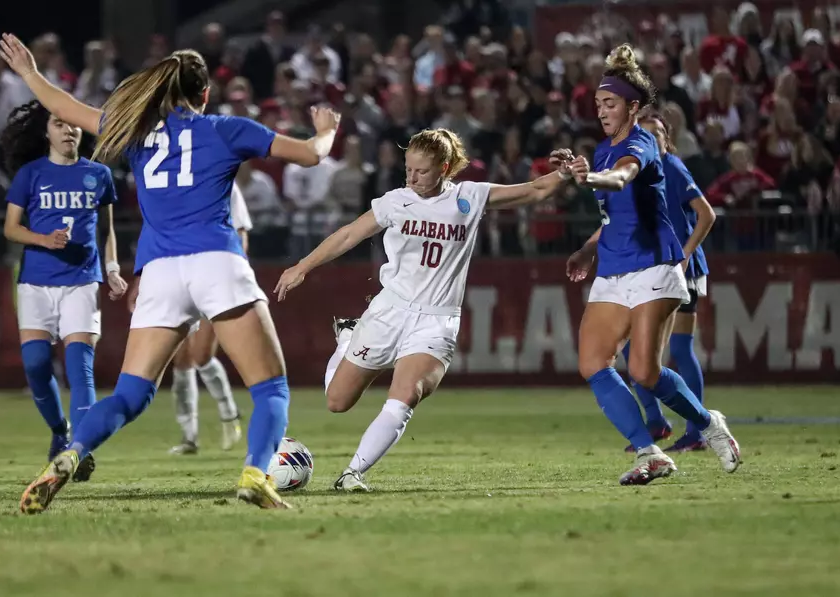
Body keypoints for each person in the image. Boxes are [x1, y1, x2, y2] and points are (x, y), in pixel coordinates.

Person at [0, 32, 340, 513]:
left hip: (159, 272)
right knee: (270, 388)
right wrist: (326, 129)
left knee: (131, 394)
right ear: (204, 93)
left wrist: (29, 73)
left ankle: (73, 452)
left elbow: (68, 105)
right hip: (216, 261)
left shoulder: (135, 133)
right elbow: (311, 155)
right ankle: (255, 475)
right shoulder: (226, 128)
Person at [275, 128, 572, 492]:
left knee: (405, 395)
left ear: (444, 167)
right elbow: (349, 234)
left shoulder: (470, 197)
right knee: (337, 402)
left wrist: (565, 174)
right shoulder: (395, 201)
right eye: (408, 169)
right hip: (389, 310)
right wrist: (302, 266)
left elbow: (535, 190)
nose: (412, 177)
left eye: (422, 171)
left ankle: (353, 473)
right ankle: (348, 337)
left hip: (437, 320)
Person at [560, 45, 740, 486]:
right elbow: (612, 215)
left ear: (633, 106)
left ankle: (708, 423)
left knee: (643, 371)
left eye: (611, 103)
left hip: (654, 267)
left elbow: (621, 177)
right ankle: (650, 452)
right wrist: (587, 249)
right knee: (592, 364)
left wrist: (591, 179)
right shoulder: (602, 149)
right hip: (613, 270)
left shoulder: (642, 141)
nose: (602, 111)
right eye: (599, 103)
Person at [1, 99, 127, 483]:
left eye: (72, 124)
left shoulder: (99, 174)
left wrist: (113, 270)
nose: (68, 129)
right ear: (47, 132)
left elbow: (107, 230)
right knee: (37, 366)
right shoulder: (30, 174)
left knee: (80, 368)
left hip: (81, 282)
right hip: (36, 283)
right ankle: (61, 431)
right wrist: (44, 239)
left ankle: (81, 449)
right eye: (60, 123)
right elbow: (11, 229)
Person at [620, 109, 716, 454]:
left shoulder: (672, 167)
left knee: (676, 349)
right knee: (632, 349)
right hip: (651, 268)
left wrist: (687, 254)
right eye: (645, 133)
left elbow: (707, 213)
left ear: (666, 139)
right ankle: (657, 421)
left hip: (681, 269)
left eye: (657, 133)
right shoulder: (636, 173)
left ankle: (697, 430)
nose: (652, 139)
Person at [166, 183, 251, 455]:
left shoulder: (225, 183)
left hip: (214, 275)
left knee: (201, 354)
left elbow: (240, 233)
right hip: (176, 274)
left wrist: (234, 273)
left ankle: (229, 414)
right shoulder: (172, 182)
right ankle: (189, 436)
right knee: (180, 359)